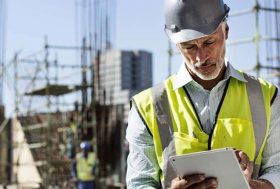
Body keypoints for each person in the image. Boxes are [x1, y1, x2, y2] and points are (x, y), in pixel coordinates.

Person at [126, 0, 280, 189]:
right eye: (189, 47)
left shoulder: (266, 96)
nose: (201, 57)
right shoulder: (146, 107)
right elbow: (139, 183)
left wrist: (250, 186)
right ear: (176, 45)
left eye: (209, 42)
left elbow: (278, 168)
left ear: (226, 31)